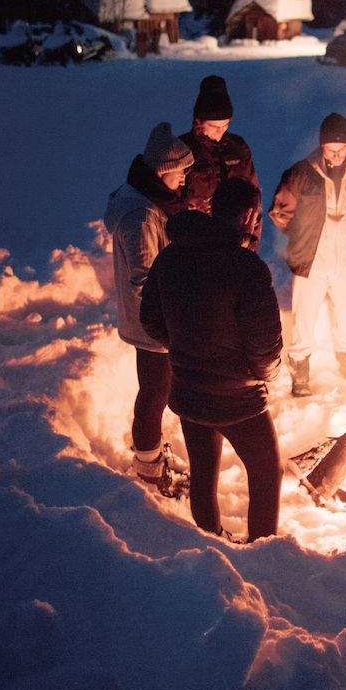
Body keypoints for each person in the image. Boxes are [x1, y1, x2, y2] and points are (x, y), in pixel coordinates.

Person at [140, 178, 283, 541]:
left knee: (204, 470)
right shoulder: (246, 268)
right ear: (249, 215)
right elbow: (265, 346)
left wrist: (185, 350)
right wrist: (263, 376)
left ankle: (209, 541)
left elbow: (151, 320)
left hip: (190, 390)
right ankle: (263, 552)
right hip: (238, 399)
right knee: (266, 472)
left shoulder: (170, 257)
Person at [104, 122, 193, 486]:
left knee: (156, 388)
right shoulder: (140, 215)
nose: (185, 179)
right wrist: (167, 322)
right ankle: (148, 468)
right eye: (180, 173)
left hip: (153, 319)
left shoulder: (145, 199)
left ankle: (151, 454)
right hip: (152, 323)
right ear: (162, 172)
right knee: (155, 391)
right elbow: (144, 279)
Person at [269, 113, 346, 396]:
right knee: (305, 318)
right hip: (311, 260)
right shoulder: (301, 174)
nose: (337, 154)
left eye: (342, 149)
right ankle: (300, 373)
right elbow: (279, 211)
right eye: (331, 149)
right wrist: (301, 235)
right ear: (321, 147)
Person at [180, 74, 262, 250]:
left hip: (236, 243)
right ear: (198, 121)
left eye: (226, 125)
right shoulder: (183, 151)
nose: (221, 131)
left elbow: (254, 199)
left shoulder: (238, 148)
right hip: (198, 245)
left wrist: (251, 244)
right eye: (215, 126)